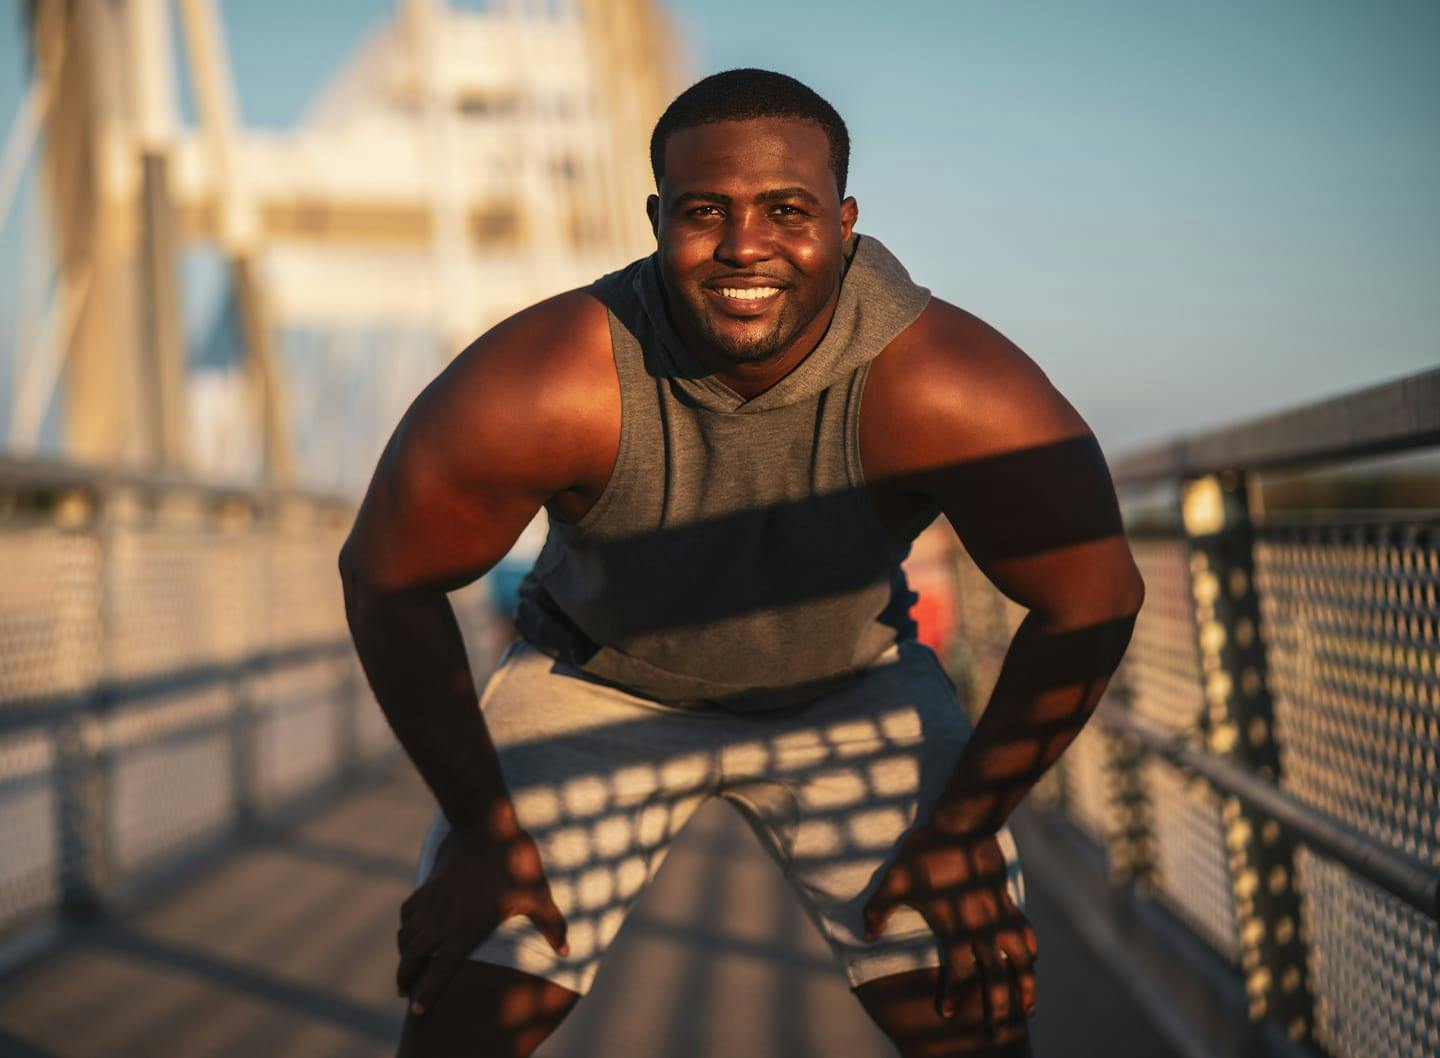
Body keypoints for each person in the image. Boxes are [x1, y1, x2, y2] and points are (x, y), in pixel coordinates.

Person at [339, 68, 1145, 1058]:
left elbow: (1096, 595)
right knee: (463, 1010)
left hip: (848, 686)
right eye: (705, 211)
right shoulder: (557, 377)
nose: (744, 245)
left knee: (972, 1011)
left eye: (787, 210)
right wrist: (484, 829)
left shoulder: (941, 383)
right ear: (657, 218)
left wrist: (967, 824)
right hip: (596, 678)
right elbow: (385, 575)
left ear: (846, 222)